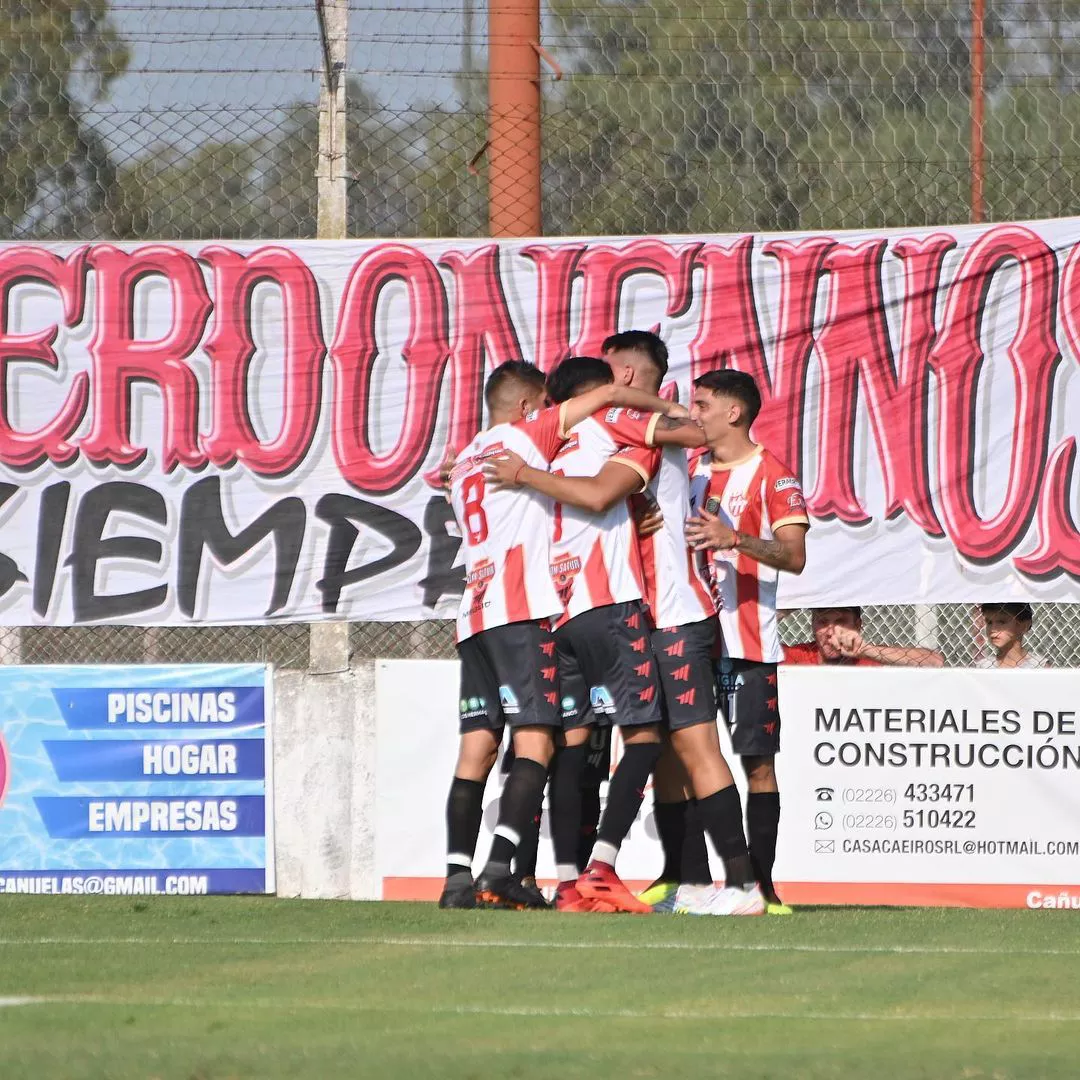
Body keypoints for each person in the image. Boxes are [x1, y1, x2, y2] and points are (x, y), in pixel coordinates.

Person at [440, 360, 682, 910]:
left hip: (471, 616)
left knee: (476, 749)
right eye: (545, 407)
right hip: (519, 610)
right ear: (529, 408)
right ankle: (499, 869)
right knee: (537, 742)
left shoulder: (462, 465)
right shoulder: (527, 435)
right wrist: (655, 403)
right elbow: (597, 402)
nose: (553, 415)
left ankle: (456, 877)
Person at [685, 369, 808, 916]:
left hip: (750, 643)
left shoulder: (772, 474)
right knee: (691, 760)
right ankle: (706, 881)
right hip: (691, 640)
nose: (694, 413)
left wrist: (734, 539)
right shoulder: (689, 472)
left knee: (758, 766)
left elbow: (795, 556)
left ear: (733, 413)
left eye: (702, 404)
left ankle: (763, 885)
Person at [784, 607, 945, 667]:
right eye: (823, 622)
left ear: (857, 625)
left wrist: (866, 650)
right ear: (812, 625)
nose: (830, 631)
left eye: (841, 621)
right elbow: (757, 640)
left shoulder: (868, 657)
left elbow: (934, 661)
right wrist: (789, 606)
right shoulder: (797, 656)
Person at [975, 603, 1048, 668]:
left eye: (1002, 622)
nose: (993, 629)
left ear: (1024, 625)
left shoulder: (1039, 666)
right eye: (989, 622)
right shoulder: (984, 666)